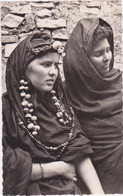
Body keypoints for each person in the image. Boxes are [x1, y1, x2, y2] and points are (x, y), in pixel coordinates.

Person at [2, 31, 105, 195]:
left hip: (68, 189)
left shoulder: (59, 106)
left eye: (55, 65)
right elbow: (6, 166)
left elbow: (79, 152)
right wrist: (56, 169)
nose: (53, 72)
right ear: (24, 67)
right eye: (45, 65)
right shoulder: (6, 109)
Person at [63, 17, 123, 194]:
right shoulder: (66, 93)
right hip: (91, 179)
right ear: (83, 61)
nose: (107, 58)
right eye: (98, 54)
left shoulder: (120, 82)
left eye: (109, 50)